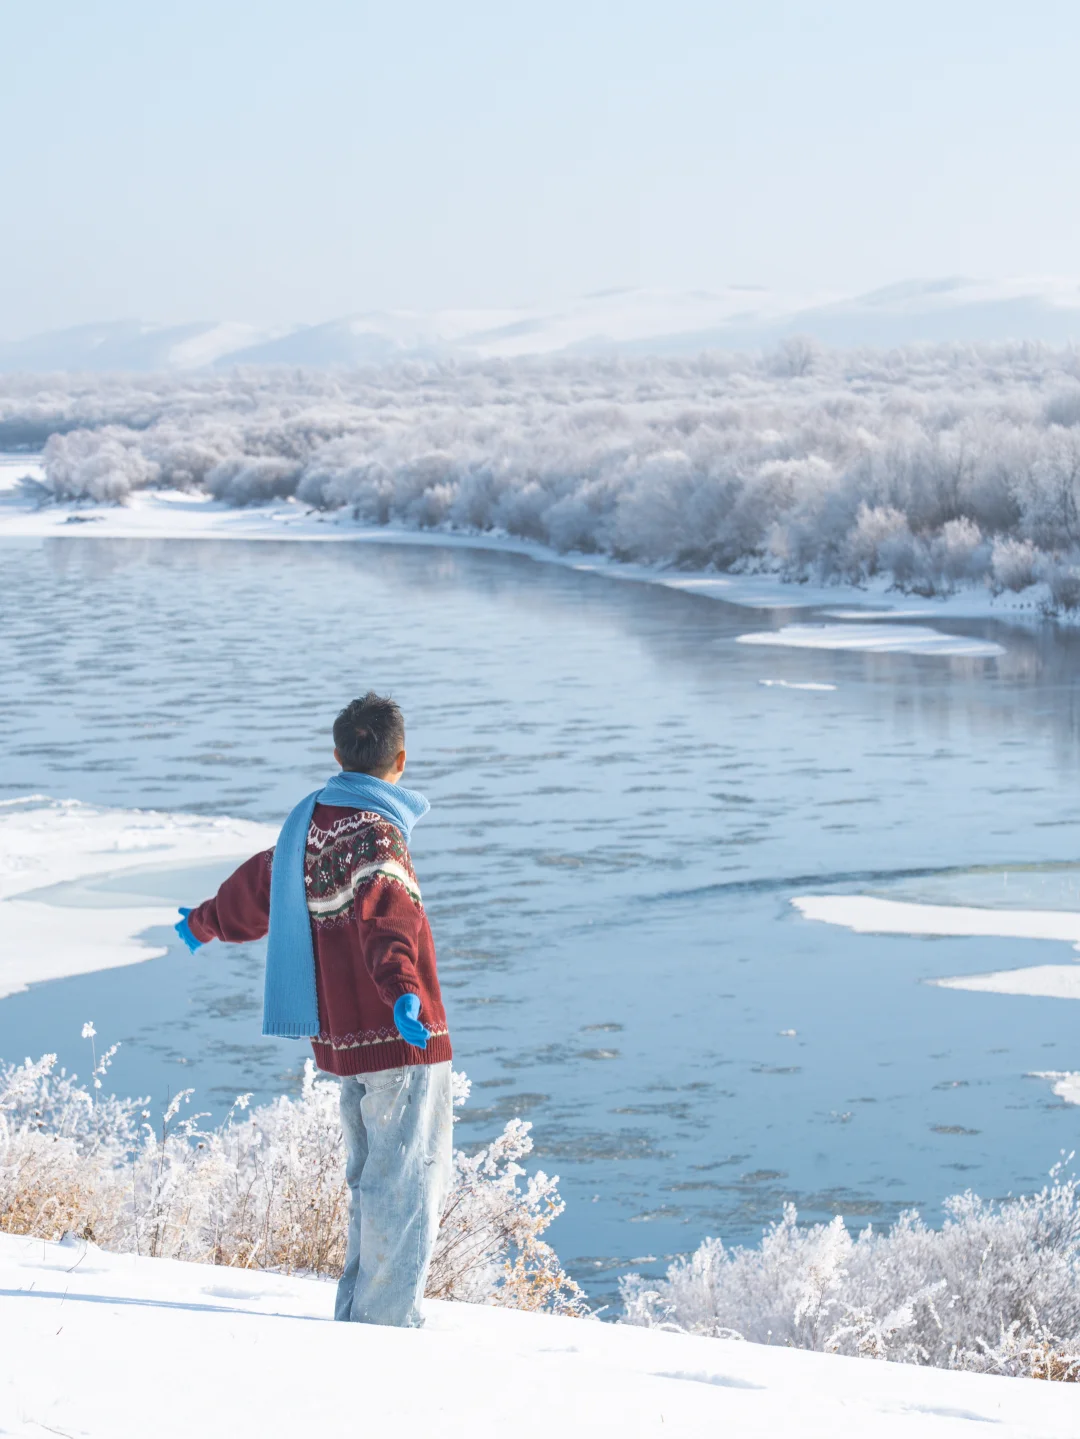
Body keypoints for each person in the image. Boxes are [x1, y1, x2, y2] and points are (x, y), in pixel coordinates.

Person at [175, 692, 452, 1328]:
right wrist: (403, 991)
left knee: (371, 1185)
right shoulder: (378, 834)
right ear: (400, 760)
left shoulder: (309, 827)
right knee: (407, 1188)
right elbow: (389, 922)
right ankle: (385, 1331)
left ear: (337, 755)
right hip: (401, 1038)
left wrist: (203, 922)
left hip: (346, 1044)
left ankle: (357, 1320)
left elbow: (256, 891)